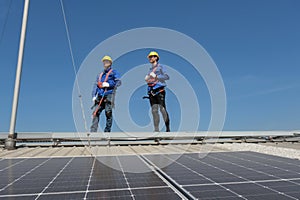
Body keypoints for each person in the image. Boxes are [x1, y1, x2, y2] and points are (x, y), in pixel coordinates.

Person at [90, 55, 121, 132]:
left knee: (108, 112)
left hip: (109, 95)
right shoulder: (100, 75)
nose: (105, 63)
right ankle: (93, 131)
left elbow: (118, 82)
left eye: (107, 61)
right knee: (95, 112)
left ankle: (107, 131)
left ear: (110, 63)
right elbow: (96, 85)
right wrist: (94, 95)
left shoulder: (114, 72)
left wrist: (109, 85)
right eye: (104, 62)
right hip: (100, 96)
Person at [145, 51, 170, 132]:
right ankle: (156, 130)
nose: (150, 58)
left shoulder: (161, 67)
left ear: (156, 58)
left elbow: (166, 76)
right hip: (151, 91)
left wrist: (156, 76)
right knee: (154, 111)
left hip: (159, 90)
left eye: (152, 56)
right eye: (150, 57)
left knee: (162, 109)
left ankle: (167, 129)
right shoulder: (150, 70)